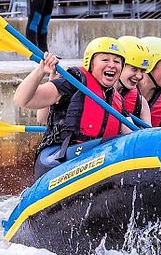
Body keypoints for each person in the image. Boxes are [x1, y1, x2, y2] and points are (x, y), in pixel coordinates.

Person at [14, 37, 127, 179]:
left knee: (119, 142)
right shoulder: (73, 82)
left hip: (92, 158)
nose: (112, 65)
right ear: (91, 63)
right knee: (110, 145)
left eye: (117, 62)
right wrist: (41, 70)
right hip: (56, 159)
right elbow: (22, 100)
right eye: (105, 60)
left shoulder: (118, 100)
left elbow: (131, 137)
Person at [116, 36, 153, 126]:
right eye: (134, 69)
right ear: (119, 64)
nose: (139, 76)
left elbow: (148, 135)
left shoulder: (141, 103)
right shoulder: (93, 92)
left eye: (143, 70)